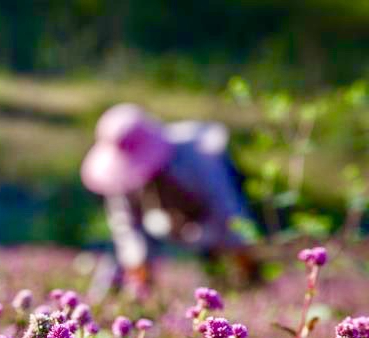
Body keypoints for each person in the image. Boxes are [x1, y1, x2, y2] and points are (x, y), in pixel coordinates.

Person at [81, 103, 257, 293]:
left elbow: (226, 209)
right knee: (124, 258)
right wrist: (138, 266)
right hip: (167, 221)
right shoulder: (120, 178)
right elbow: (125, 224)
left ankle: (224, 279)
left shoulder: (196, 157)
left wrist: (243, 255)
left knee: (224, 262)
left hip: (203, 214)